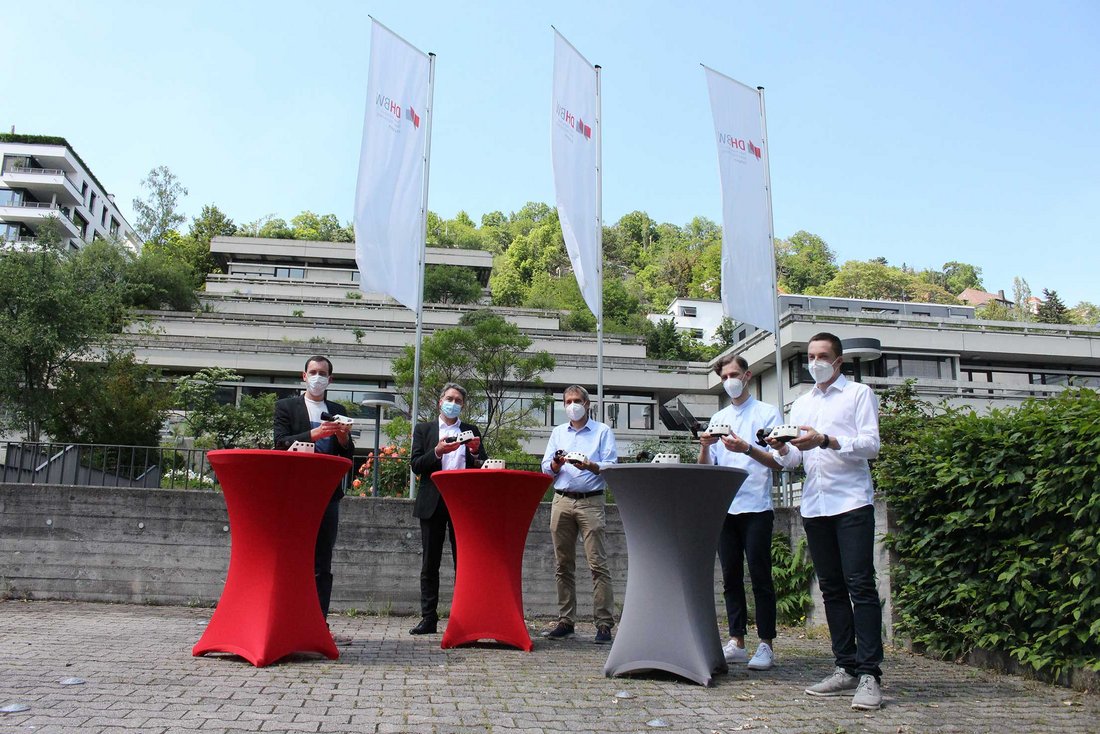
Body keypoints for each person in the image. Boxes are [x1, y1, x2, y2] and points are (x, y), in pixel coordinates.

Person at [766, 332, 883, 711]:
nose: (814, 362)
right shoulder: (801, 404)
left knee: (860, 585)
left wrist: (827, 440)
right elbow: (794, 463)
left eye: (822, 356)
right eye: (810, 356)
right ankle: (844, 666)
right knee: (831, 589)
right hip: (814, 506)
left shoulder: (858, 394)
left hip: (851, 503)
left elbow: (871, 446)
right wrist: (782, 447)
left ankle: (869, 674)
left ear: (838, 361)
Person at [698, 354, 783, 671]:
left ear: (747, 376)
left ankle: (766, 643)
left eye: (734, 374)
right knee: (730, 577)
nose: (730, 381)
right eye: (724, 377)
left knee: (760, 576)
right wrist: (705, 445)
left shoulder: (766, 412)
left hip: (757, 506)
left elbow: (779, 461)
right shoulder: (718, 417)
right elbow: (705, 471)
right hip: (725, 507)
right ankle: (737, 640)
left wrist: (747, 448)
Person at [273, 355, 355, 620]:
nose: (318, 377)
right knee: (291, 556)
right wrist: (314, 434)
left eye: (323, 373)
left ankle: (319, 621)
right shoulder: (287, 407)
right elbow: (280, 443)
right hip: (293, 494)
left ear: (330, 379)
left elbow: (348, 455)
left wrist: (342, 437)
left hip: (327, 494)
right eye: (313, 372)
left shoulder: (337, 408)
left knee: (323, 561)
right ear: (304, 376)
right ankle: (287, 617)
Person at [540, 385, 619, 644]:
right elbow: (545, 469)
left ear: (587, 404)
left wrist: (590, 465)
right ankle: (566, 621)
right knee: (563, 565)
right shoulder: (558, 432)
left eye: (576, 400)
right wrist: (555, 463)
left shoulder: (602, 431)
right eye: (568, 401)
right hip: (561, 500)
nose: (572, 405)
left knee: (598, 564)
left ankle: (604, 624)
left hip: (591, 502)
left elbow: (611, 466)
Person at [408, 382, 487, 635]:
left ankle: (464, 616)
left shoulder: (471, 430)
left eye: (459, 400)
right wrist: (438, 451)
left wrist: (475, 455)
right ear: (440, 401)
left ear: (463, 405)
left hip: (462, 504)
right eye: (449, 398)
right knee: (429, 563)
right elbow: (416, 465)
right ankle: (428, 618)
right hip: (432, 502)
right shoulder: (424, 429)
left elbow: (483, 466)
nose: (453, 403)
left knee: (463, 562)